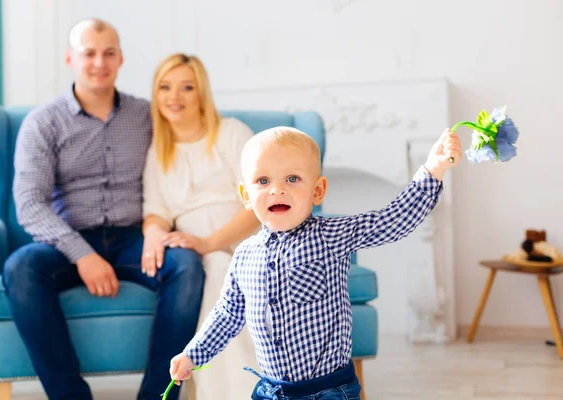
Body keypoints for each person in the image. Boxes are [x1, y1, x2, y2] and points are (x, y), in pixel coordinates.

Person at [169, 126, 462, 399]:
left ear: (317, 191)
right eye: (263, 181)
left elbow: (391, 221)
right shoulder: (244, 255)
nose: (277, 189)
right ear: (246, 196)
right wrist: (193, 354)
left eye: (292, 179)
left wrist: (433, 170)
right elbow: (227, 314)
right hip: (272, 390)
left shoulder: (331, 236)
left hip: (329, 390)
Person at [3, 19, 204, 400]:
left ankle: (158, 396)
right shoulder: (42, 123)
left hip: (135, 239)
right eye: (89, 53)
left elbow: (191, 150)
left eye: (108, 53)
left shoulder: (148, 115)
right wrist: (83, 255)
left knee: (187, 265)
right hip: (67, 243)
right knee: (20, 267)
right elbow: (29, 205)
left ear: (121, 58)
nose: (100, 62)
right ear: (69, 59)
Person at [142, 53, 261, 400]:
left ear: (201, 93)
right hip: (197, 252)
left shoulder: (231, 132)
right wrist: (153, 232)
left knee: (226, 269)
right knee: (217, 272)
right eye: (165, 87)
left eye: (186, 87)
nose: (174, 97)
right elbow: (156, 211)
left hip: (240, 242)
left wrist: (209, 242)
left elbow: (258, 203)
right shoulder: (159, 150)